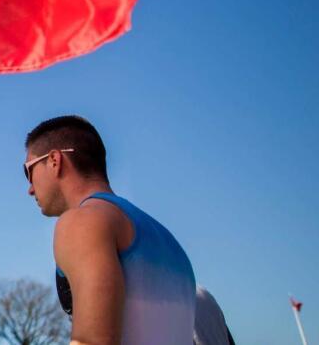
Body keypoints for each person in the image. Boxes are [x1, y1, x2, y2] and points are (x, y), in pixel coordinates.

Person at [25, 115, 195, 344]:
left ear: (54, 160)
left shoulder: (81, 222)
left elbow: (92, 341)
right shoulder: (169, 241)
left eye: (28, 171)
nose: (30, 189)